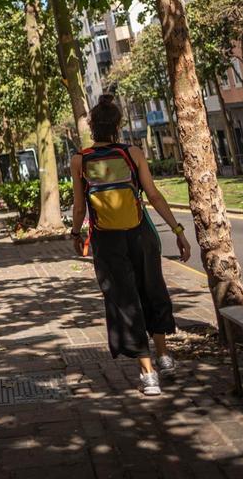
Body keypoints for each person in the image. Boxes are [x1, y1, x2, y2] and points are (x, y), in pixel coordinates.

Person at [71, 94, 192, 397]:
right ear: (118, 125)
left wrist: (75, 234)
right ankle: (164, 357)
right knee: (152, 291)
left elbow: (78, 207)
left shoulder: (80, 160)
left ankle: (148, 374)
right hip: (140, 234)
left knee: (125, 301)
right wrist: (177, 230)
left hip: (107, 240)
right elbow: (153, 195)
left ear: (92, 127)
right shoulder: (133, 153)